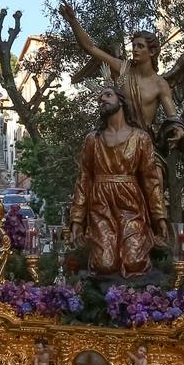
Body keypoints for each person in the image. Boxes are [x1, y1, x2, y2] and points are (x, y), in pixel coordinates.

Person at [66, 79, 169, 278]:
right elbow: (84, 180)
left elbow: (151, 180)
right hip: (100, 205)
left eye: (107, 95)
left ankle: (133, 298)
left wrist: (159, 216)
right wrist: (77, 219)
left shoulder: (141, 138)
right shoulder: (92, 140)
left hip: (130, 203)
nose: (101, 99)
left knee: (134, 261)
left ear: (121, 101)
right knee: (104, 263)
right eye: (100, 97)